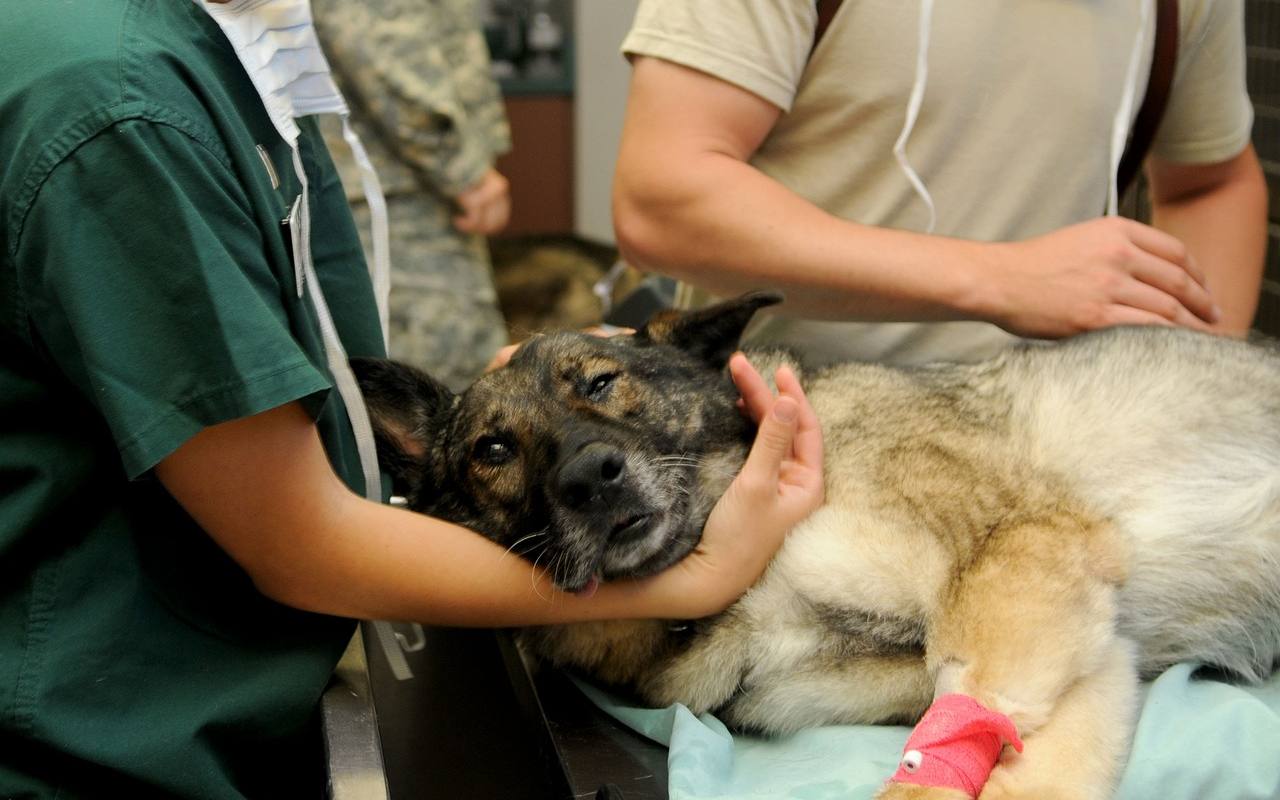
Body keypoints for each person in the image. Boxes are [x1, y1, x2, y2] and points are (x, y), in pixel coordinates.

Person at [0, 1, 824, 797]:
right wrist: (699, 578)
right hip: (103, 742)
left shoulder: (235, 37)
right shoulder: (120, 108)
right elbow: (298, 541)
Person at [613, 0, 1269, 367]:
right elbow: (663, 199)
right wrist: (1000, 279)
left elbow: (1209, 182)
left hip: (1062, 453)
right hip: (790, 450)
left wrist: (1194, 383)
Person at [313, 0, 514, 391]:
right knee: (436, 393)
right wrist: (464, 170)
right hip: (397, 197)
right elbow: (384, 46)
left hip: (396, 187)